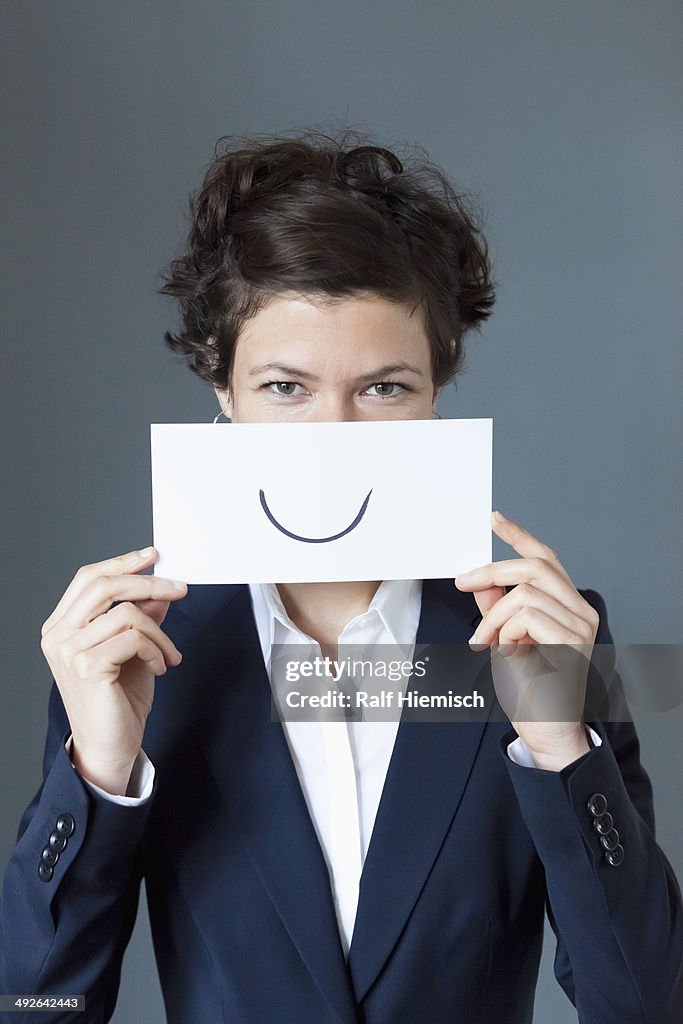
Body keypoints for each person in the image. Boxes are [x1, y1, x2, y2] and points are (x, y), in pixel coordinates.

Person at [1, 130, 681, 1024]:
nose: (335, 436)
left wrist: (560, 746)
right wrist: (95, 777)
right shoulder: (135, 654)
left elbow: (645, 1004)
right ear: (222, 387)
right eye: (286, 388)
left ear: (438, 387)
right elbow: (35, 1008)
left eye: (384, 388)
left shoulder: (538, 639)